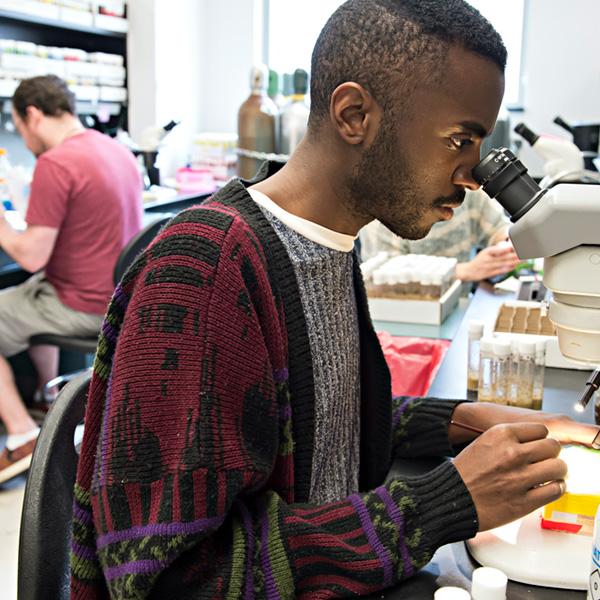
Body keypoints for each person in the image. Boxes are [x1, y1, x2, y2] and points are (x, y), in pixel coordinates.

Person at [71, 2, 598, 598]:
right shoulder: (206, 271)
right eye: (459, 139)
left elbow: (316, 424)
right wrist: (440, 504)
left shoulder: (326, 247)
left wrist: (455, 422)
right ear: (354, 115)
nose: (473, 175)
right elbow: (169, 579)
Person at [0, 75, 142, 483]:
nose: (23, 140)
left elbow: (30, 255)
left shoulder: (55, 163)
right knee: (30, 292)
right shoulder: (115, 149)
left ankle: (21, 434)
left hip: (82, 306)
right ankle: (48, 401)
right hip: (118, 299)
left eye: (20, 128)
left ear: (33, 115)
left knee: (25, 290)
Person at [360, 188, 521, 287]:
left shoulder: (467, 189)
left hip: (457, 309)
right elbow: (384, 277)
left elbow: (498, 228)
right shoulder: (384, 203)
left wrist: (506, 244)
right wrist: (463, 271)